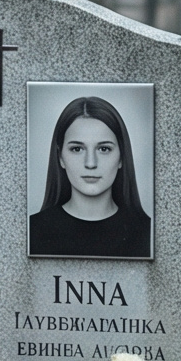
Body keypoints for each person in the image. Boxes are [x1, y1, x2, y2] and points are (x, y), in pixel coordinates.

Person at [28, 95, 152, 258]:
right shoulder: (30, 231)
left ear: (122, 157)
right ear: (60, 158)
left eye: (104, 149)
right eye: (77, 149)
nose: (91, 163)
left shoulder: (150, 233)